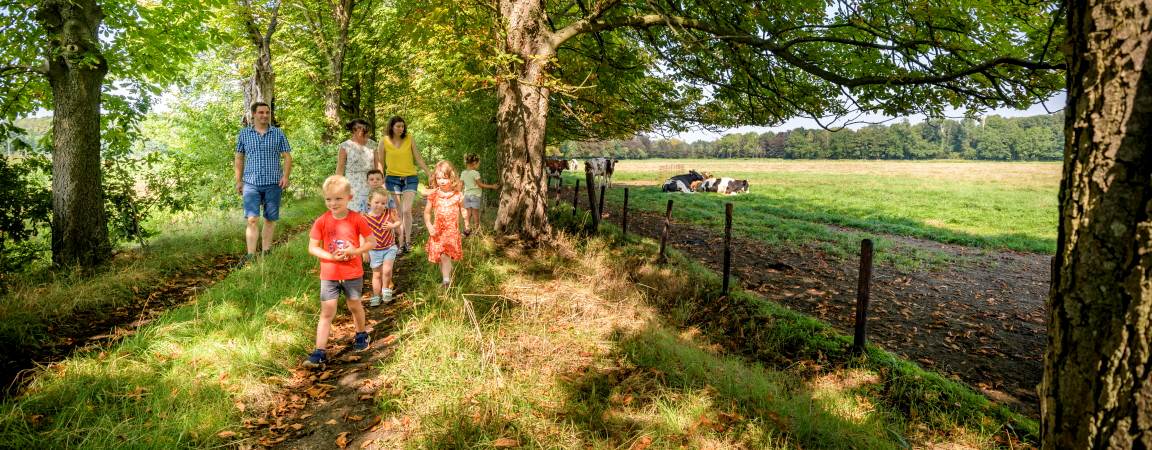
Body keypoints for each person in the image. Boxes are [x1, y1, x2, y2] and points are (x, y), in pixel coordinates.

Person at [304, 175, 375, 368]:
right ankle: (320, 351)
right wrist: (331, 257)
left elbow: (371, 242)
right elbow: (313, 247)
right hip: (329, 274)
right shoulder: (321, 221)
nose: (333, 203)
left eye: (338, 199)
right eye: (328, 199)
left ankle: (361, 334)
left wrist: (355, 251)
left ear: (349, 197)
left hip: (352, 273)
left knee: (354, 305)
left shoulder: (356, 219)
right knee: (327, 312)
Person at [234, 101, 292, 265]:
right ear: (253, 114)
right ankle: (251, 255)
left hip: (273, 182)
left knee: (269, 218)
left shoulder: (278, 133)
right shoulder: (244, 134)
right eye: (261, 112)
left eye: (267, 112)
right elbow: (239, 157)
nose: (265, 115)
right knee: (252, 219)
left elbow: (287, 156)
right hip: (250, 183)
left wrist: (285, 176)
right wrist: (238, 181)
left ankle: (267, 251)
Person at [376, 116, 430, 255]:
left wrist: (429, 173)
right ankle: (400, 244)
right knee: (398, 213)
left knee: (406, 210)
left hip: (410, 178)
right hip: (392, 179)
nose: (401, 129)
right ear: (392, 127)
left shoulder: (409, 138)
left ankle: (408, 241)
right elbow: (381, 162)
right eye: (398, 126)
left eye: (402, 126)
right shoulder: (384, 141)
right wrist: (380, 180)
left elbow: (417, 157)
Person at [424, 161, 468, 288]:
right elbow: (427, 213)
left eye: (445, 178)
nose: (441, 181)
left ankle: (446, 281)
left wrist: (466, 224)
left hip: (451, 232)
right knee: (441, 258)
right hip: (437, 231)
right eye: (438, 178)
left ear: (452, 177)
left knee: (445, 256)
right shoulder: (433, 195)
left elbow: (464, 210)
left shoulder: (458, 195)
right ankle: (448, 276)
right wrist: (429, 226)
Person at [364, 188, 401, 306]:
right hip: (374, 250)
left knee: (387, 270)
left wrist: (393, 225)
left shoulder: (389, 212)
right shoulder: (364, 218)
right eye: (377, 202)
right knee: (377, 274)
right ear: (369, 202)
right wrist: (364, 251)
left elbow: (398, 222)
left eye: (383, 203)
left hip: (389, 247)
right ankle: (376, 295)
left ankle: (386, 290)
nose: (380, 206)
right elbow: (362, 235)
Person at [335, 119, 380, 213]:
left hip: (370, 181)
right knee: (354, 211)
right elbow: (340, 167)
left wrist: (380, 182)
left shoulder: (373, 144)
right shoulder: (345, 146)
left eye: (364, 128)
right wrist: (337, 185)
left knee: (370, 210)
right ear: (353, 130)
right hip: (352, 183)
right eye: (358, 128)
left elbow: (377, 165)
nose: (362, 130)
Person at [459, 154, 499, 234]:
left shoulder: (463, 173)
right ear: (474, 163)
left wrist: (459, 195)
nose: (478, 165)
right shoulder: (475, 173)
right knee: (475, 213)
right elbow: (480, 184)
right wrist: (492, 186)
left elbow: (461, 185)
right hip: (475, 196)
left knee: (468, 213)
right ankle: (477, 230)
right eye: (478, 163)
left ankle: (467, 230)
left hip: (466, 196)